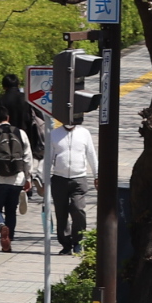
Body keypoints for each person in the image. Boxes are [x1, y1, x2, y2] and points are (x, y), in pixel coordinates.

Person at [44, 102, 99, 255]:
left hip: (79, 179)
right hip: (59, 179)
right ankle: (66, 244)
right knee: (61, 214)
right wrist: (44, 178)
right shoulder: (54, 134)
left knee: (78, 210)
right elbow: (48, 158)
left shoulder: (84, 133)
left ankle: (78, 242)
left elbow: (91, 155)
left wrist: (97, 175)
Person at [0, 110, 33, 252]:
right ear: (8, 117)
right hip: (17, 179)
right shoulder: (20, 133)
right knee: (11, 211)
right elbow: (27, 158)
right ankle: (9, 239)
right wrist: (28, 177)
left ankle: (1, 226)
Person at [0, 72, 48, 162]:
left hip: (6, 138)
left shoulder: (1, 100)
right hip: (27, 135)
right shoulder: (28, 99)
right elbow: (39, 117)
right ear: (18, 85)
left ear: (4, 86)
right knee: (27, 160)